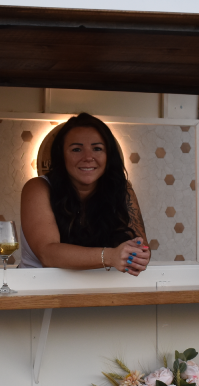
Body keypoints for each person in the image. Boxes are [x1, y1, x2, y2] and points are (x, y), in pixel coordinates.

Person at [19, 113, 150, 274]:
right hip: (39, 291)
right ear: (62, 155)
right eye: (76, 149)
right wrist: (111, 256)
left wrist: (138, 255)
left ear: (108, 156)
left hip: (100, 291)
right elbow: (47, 254)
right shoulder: (38, 187)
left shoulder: (123, 189)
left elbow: (141, 248)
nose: (88, 157)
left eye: (97, 148)